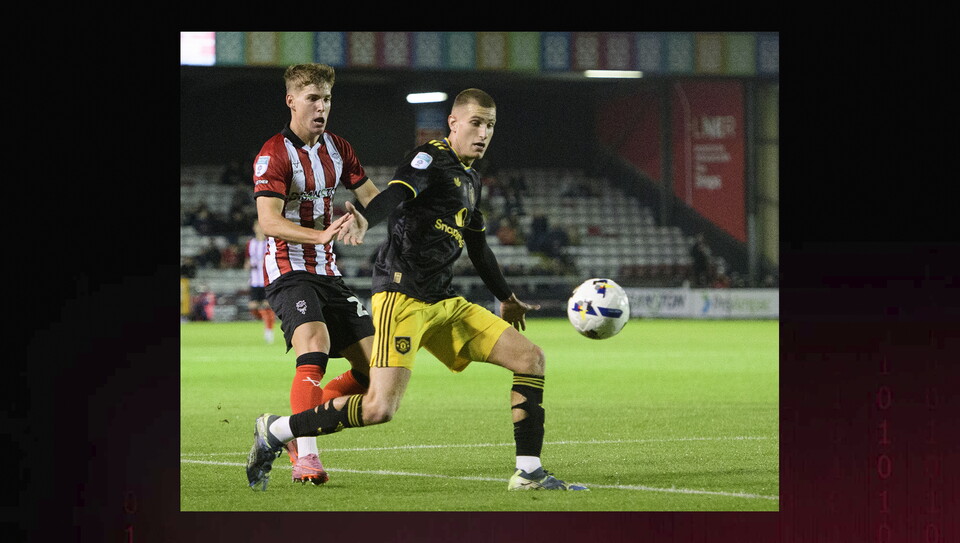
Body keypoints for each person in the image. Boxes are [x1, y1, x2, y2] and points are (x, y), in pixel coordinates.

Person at [246, 88, 588, 492]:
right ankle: (277, 430)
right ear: (454, 123)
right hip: (403, 295)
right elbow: (396, 193)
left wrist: (507, 297)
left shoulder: (471, 178)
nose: (483, 133)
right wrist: (363, 221)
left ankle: (529, 472)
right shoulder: (429, 158)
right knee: (378, 408)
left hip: (445, 301)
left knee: (530, 358)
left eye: (490, 126)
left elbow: (477, 245)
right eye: (476, 123)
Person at [251, 62, 381, 485]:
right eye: (312, 98)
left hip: (328, 271)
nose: (321, 106)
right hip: (289, 268)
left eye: (326, 99)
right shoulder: (273, 153)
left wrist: (364, 218)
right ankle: (306, 456)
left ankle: (287, 428)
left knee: (375, 372)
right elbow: (268, 221)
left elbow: (373, 198)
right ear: (292, 101)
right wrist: (319, 234)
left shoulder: (339, 149)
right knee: (316, 344)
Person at [245, 220, 276, 344]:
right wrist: (247, 265)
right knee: (253, 307)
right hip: (254, 280)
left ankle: (269, 331)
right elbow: (247, 260)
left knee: (266, 305)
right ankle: (265, 321)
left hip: (267, 280)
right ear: (254, 228)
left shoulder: (270, 242)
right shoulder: (250, 243)